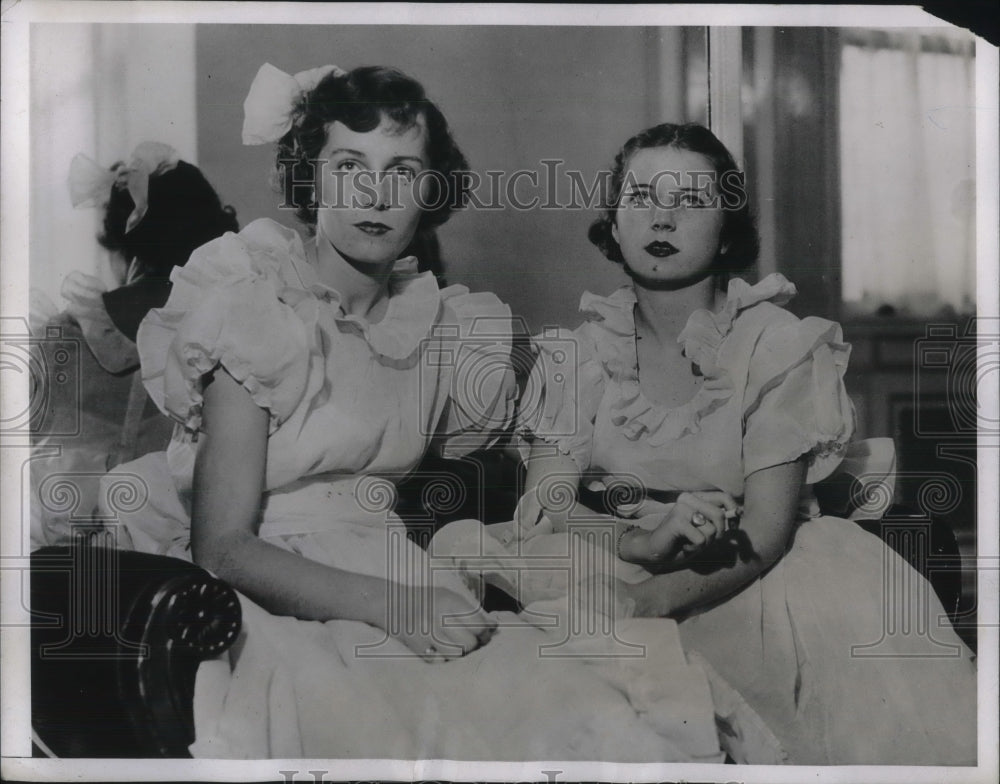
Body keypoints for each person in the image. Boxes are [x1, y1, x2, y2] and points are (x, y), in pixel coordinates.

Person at [100, 66, 726, 761]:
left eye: (401, 170)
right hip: (284, 602)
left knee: (588, 720)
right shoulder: (258, 309)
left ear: (431, 190)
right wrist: (394, 608)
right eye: (348, 166)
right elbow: (222, 547)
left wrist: (626, 526)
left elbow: (558, 402)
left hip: (408, 581)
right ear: (311, 179)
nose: (375, 193)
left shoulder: (438, 326)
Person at [499, 122, 977, 765]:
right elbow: (550, 510)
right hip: (614, 558)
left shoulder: (775, 344)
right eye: (641, 196)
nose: (662, 216)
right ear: (614, 223)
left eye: (692, 200)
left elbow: (767, 531)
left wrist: (654, 599)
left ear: (727, 229)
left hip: (760, 576)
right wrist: (640, 543)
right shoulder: (576, 354)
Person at [28, 144, 238, 549]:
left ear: (121, 243)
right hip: (179, 563)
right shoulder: (228, 333)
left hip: (56, 557)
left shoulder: (60, 337)